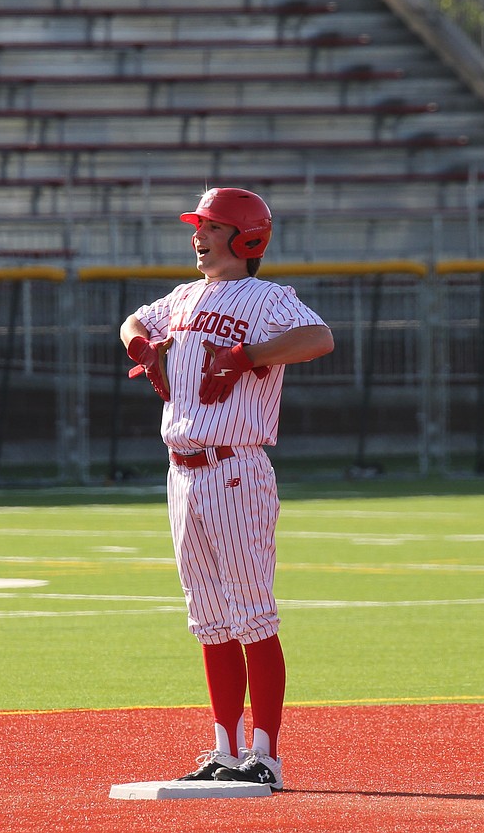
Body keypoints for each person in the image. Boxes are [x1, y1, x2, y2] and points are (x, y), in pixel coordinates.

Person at [119, 187, 334, 791]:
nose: (197, 235)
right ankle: (225, 748)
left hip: (235, 467)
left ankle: (265, 757)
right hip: (182, 470)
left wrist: (249, 355)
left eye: (210, 227)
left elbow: (318, 339)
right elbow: (132, 322)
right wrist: (142, 344)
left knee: (252, 616)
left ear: (245, 238)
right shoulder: (184, 297)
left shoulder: (267, 298)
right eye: (199, 226)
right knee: (209, 618)